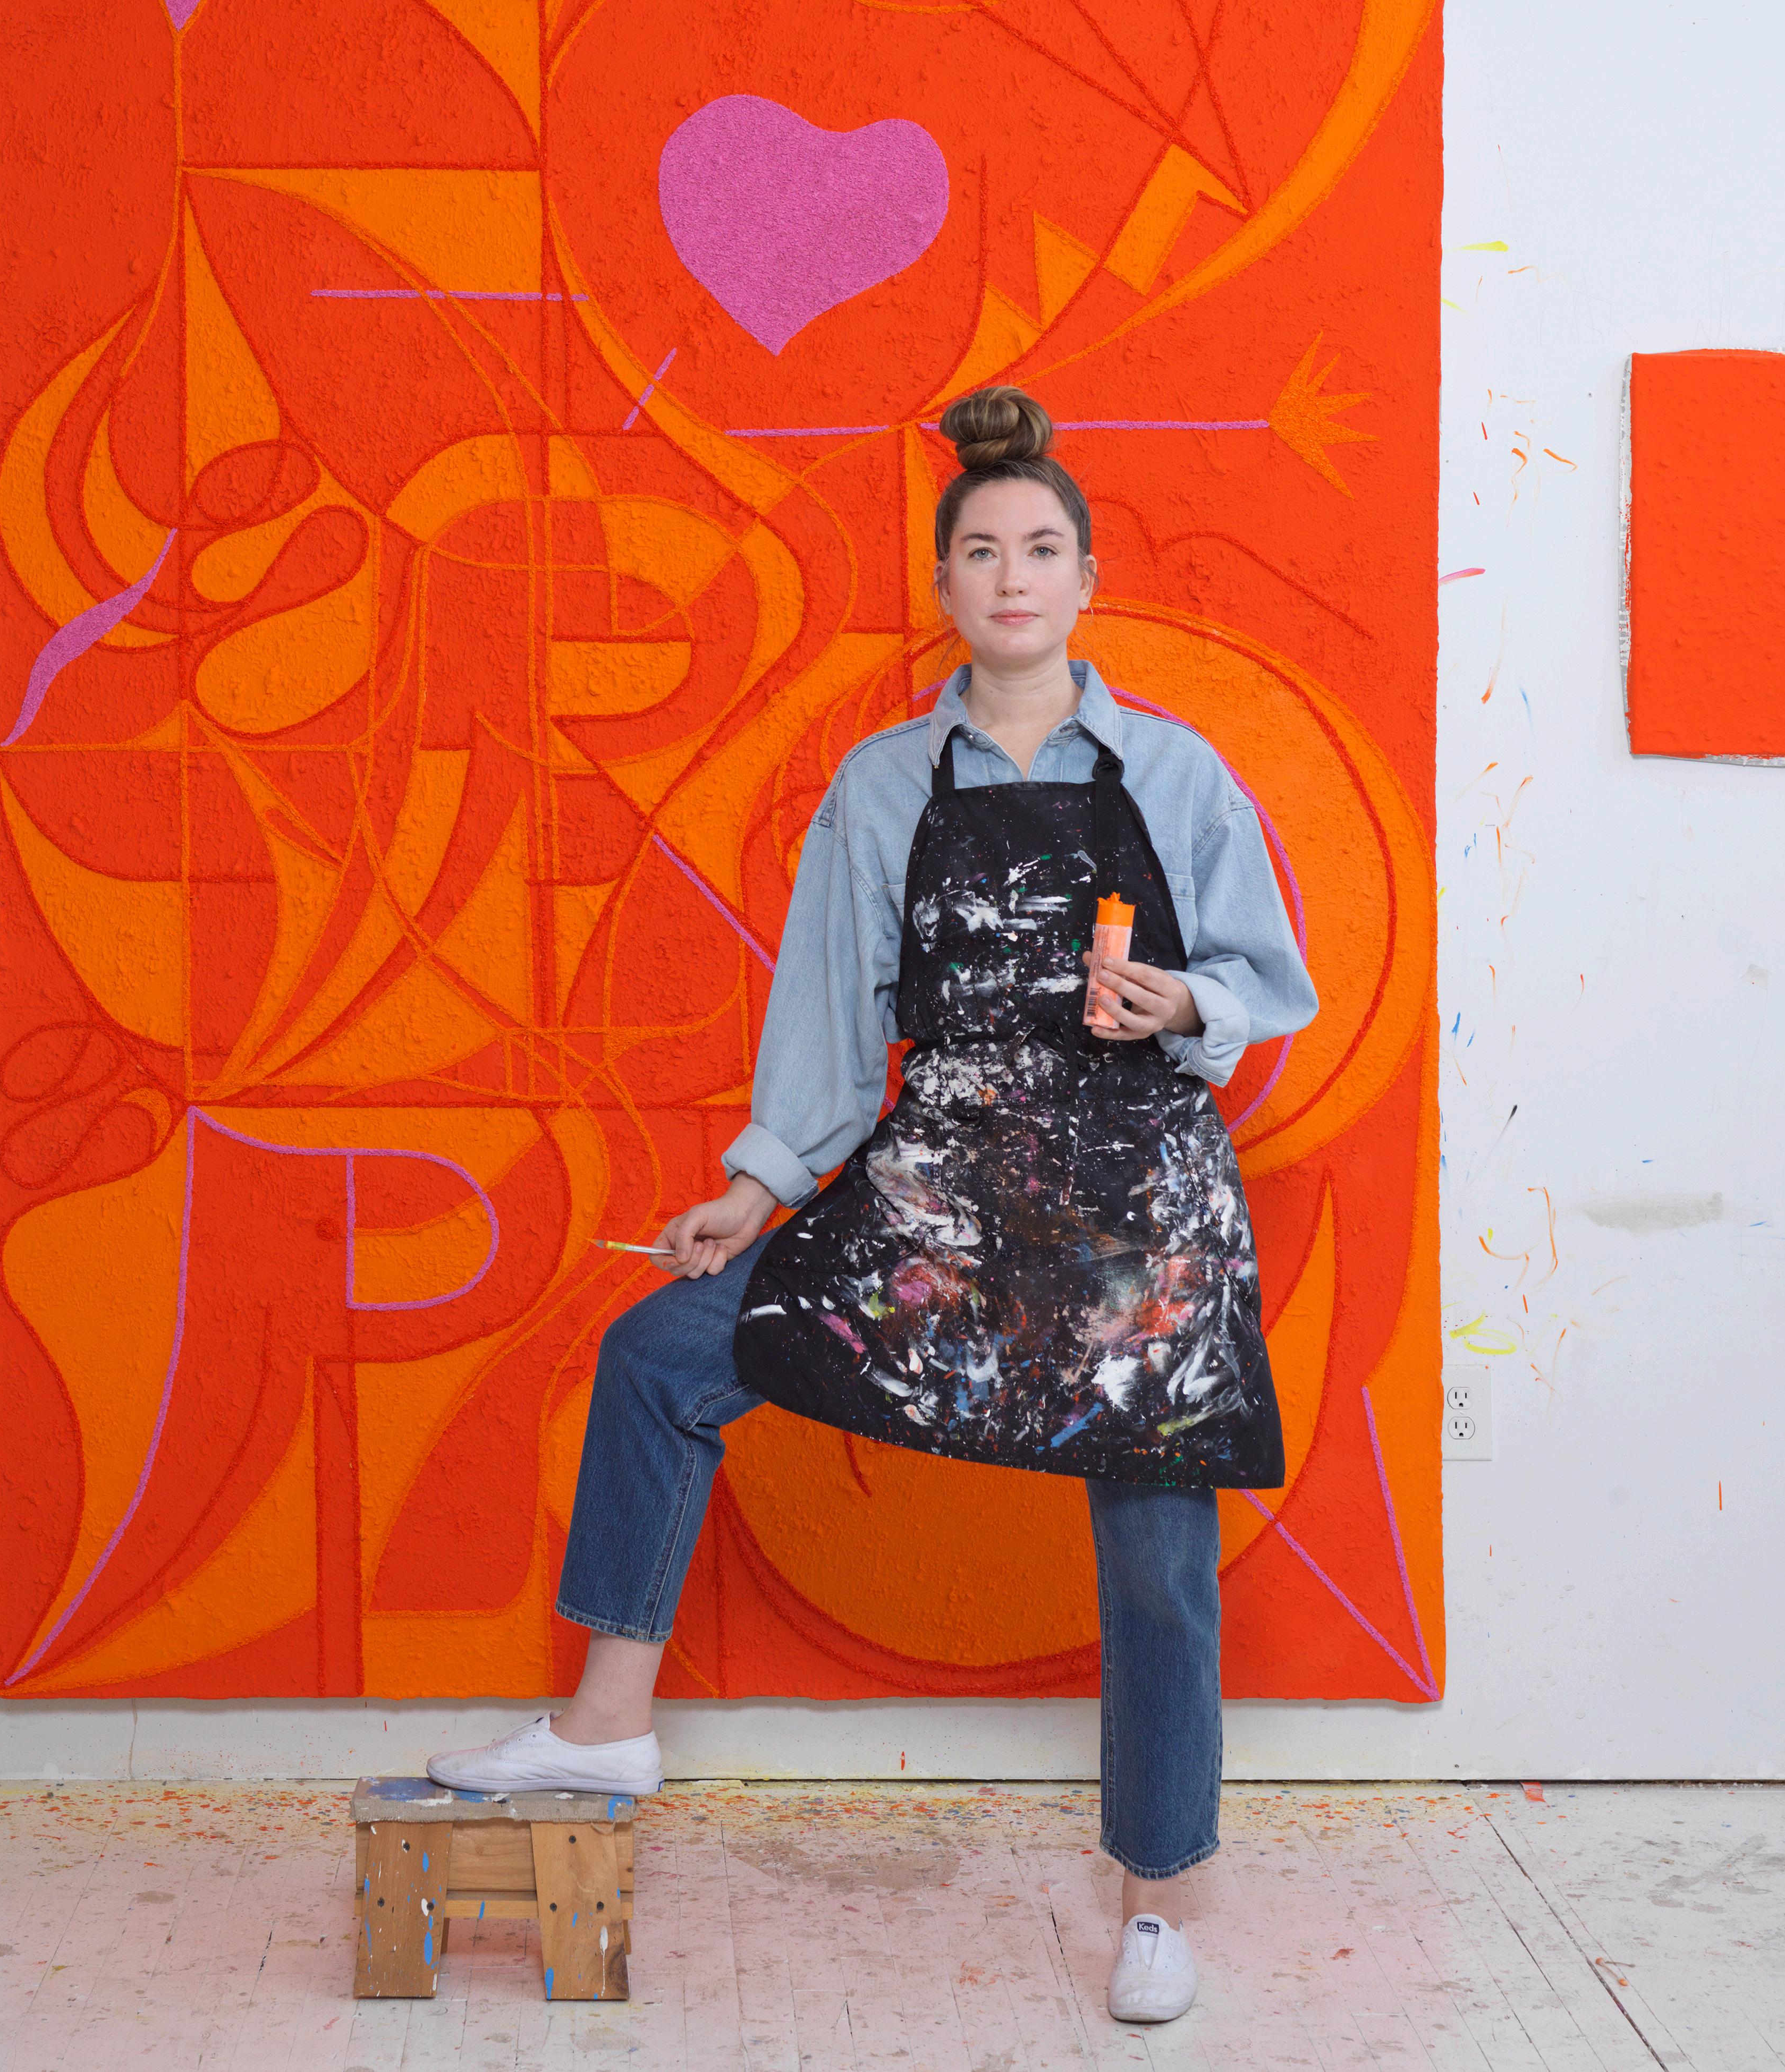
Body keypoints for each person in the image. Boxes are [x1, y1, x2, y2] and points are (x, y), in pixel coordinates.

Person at [428, 384, 1318, 2025]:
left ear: (1087, 577)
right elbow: (833, 1020)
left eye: (1040, 548)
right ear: (944, 583)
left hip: (1137, 1206)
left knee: (1155, 1544)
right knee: (661, 1354)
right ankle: (609, 1725)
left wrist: (1181, 1004)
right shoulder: (882, 785)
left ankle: (1154, 1898)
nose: (1012, 576)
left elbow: (1272, 980)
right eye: (982, 551)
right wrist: (757, 1189)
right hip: (943, 1191)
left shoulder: (1179, 774)